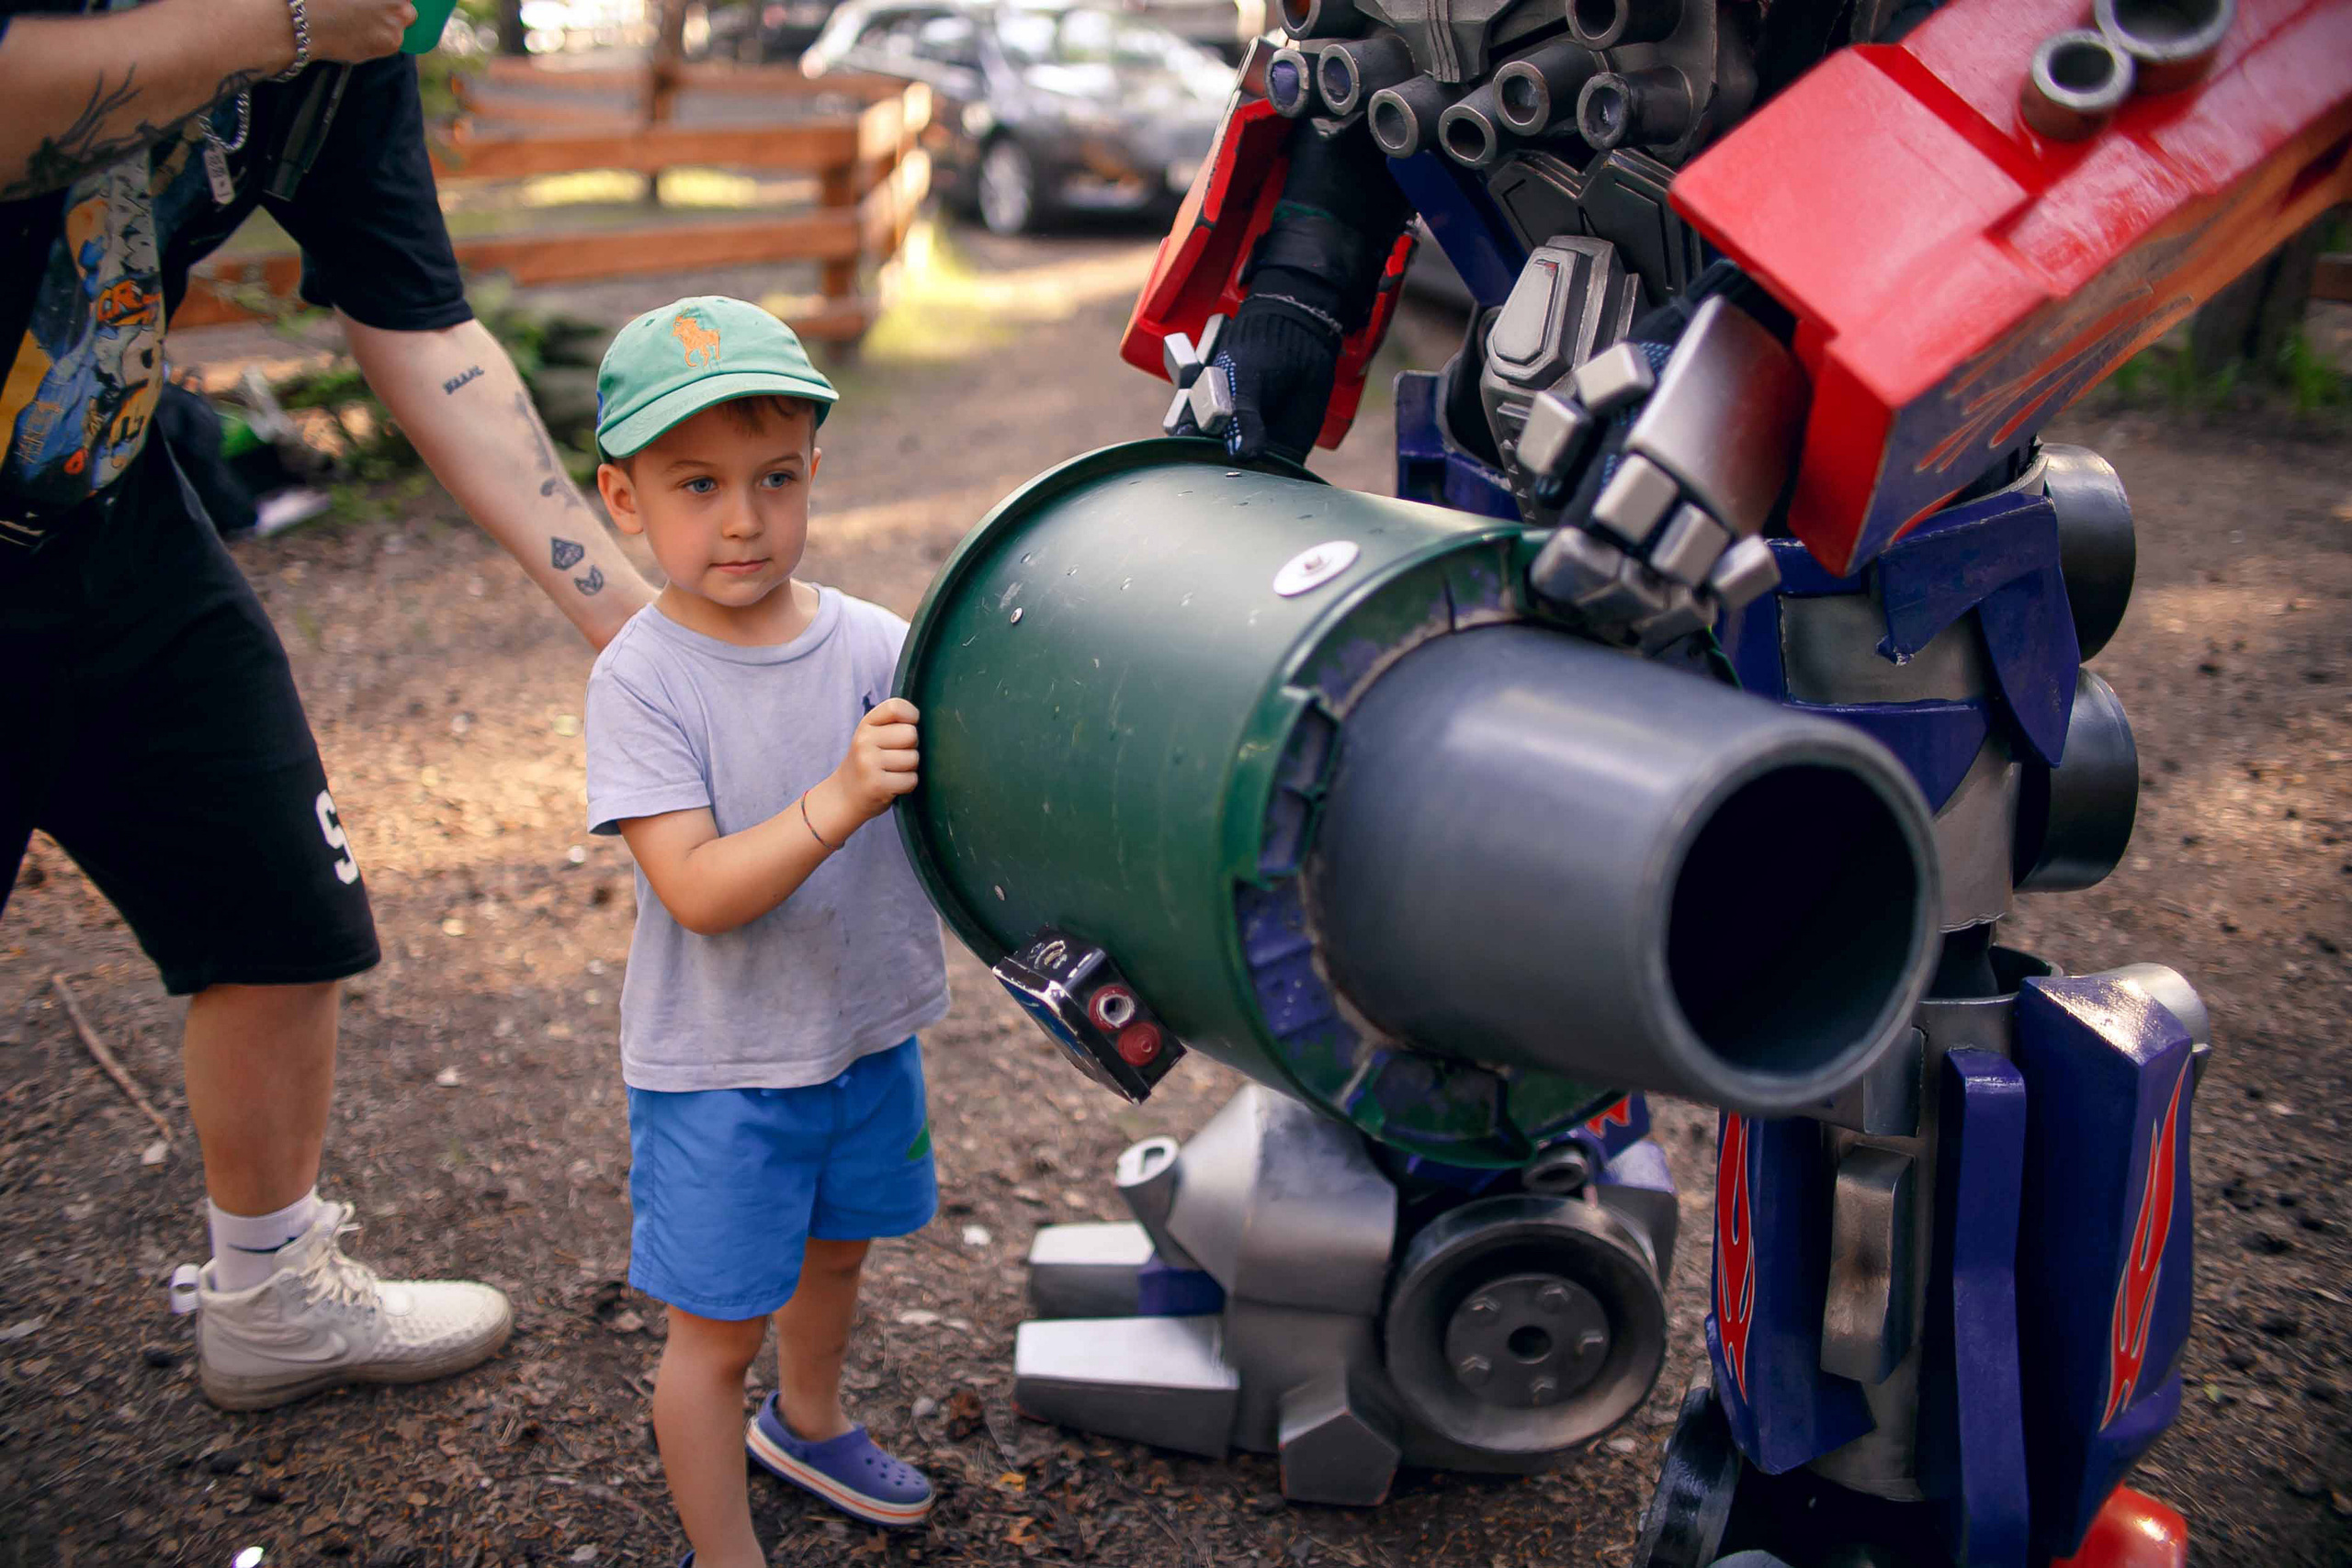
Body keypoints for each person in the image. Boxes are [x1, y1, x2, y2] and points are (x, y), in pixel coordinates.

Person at [0, 0, 653, 1409]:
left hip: (111, 515)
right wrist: (283, 21)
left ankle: (271, 1293)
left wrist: (638, 627)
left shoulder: (355, 42)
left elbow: (422, 328)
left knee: (280, 910)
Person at [582, 295, 948, 1562]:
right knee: (716, 1331)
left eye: (775, 478)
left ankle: (809, 1423)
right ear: (623, 500)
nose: (743, 520)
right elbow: (695, 886)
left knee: (837, 1261)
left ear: (812, 473)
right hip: (724, 1072)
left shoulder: (875, 641)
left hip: (859, 1037)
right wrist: (840, 798)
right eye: (696, 484)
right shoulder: (642, 679)